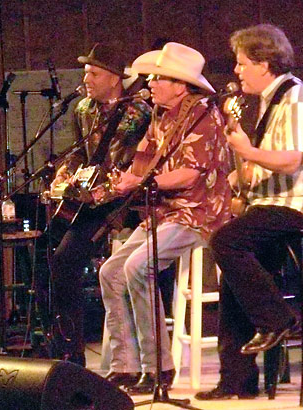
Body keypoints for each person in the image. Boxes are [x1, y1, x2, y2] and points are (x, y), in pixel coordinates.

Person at [195, 24, 303, 400]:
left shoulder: (299, 100)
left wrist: (248, 151)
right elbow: (261, 170)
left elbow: (292, 162)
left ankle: (277, 318)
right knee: (232, 271)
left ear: (264, 63)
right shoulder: (270, 104)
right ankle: (236, 380)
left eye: (242, 64)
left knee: (226, 240)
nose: (237, 71)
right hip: (274, 204)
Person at [99, 42, 231, 393]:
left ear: (181, 84)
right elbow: (141, 163)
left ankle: (159, 367)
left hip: (197, 213)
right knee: (110, 272)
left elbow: (190, 174)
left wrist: (142, 182)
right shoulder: (160, 115)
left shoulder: (204, 115)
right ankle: (126, 366)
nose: (151, 84)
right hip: (164, 213)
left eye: (159, 78)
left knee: (137, 267)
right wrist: (112, 186)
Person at [45, 43, 152, 367]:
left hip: (122, 201)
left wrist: (95, 189)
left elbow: (126, 163)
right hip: (90, 199)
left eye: (93, 72)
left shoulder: (137, 112)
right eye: (86, 71)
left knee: (65, 259)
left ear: (115, 78)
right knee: (44, 247)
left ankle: (72, 355)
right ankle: (60, 342)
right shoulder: (82, 109)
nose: (86, 77)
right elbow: (81, 154)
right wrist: (66, 172)